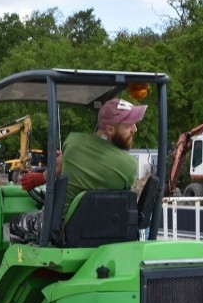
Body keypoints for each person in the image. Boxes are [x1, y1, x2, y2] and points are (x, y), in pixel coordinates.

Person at [13, 97, 147, 240]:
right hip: (110, 231)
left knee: (15, 222)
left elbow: (59, 165)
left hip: (63, 230)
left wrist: (40, 177)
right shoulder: (130, 166)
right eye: (129, 125)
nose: (135, 129)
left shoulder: (73, 142)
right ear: (109, 129)